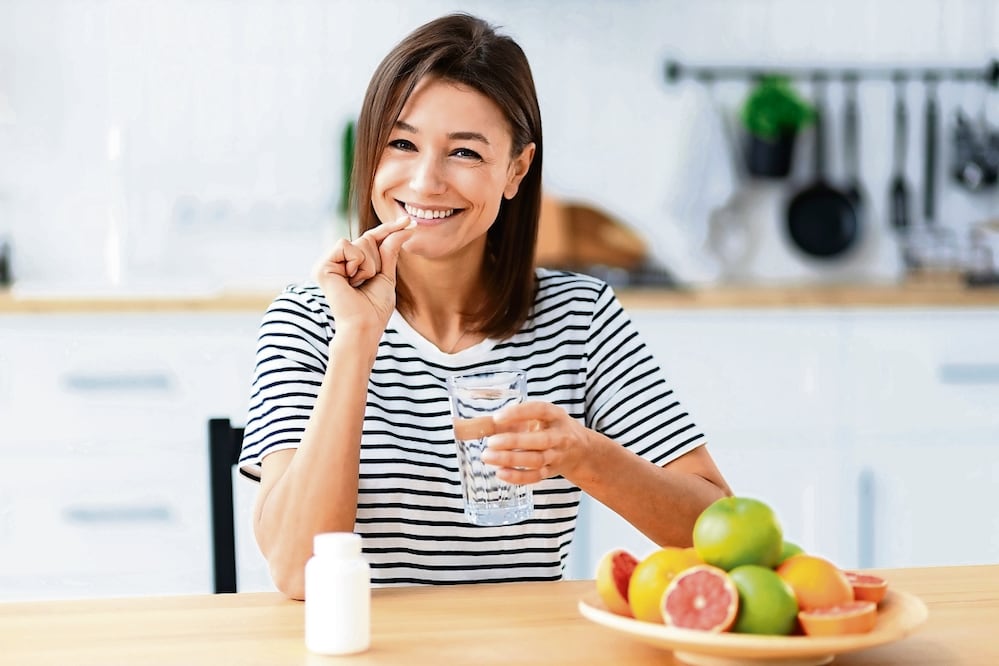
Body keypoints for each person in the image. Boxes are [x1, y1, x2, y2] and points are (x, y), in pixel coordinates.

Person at [239, 12, 731, 600]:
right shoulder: (308, 319)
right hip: (359, 640)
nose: (426, 182)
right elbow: (298, 572)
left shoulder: (580, 318)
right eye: (401, 143)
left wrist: (585, 455)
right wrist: (357, 338)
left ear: (516, 169)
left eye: (465, 153)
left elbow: (717, 534)